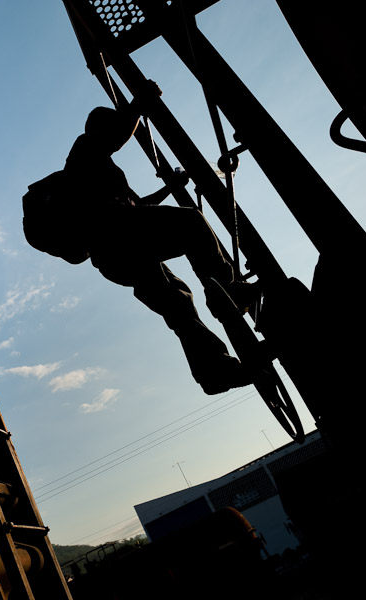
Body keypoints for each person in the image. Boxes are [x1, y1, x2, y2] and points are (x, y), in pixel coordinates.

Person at [62, 88, 254, 394]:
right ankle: (231, 290)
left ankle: (215, 371)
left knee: (177, 303)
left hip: (118, 254)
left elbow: (139, 208)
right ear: (98, 128)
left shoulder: (100, 172)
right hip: (120, 237)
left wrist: (171, 187)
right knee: (190, 222)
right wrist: (139, 105)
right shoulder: (85, 148)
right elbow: (117, 134)